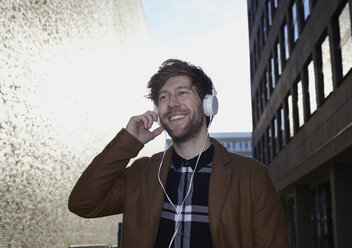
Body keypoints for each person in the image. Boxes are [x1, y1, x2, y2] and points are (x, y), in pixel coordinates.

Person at [68, 59, 289, 248]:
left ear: (208, 104)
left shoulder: (252, 177)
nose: (172, 104)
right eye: (163, 97)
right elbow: (83, 203)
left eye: (182, 93)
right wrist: (128, 143)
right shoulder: (142, 174)